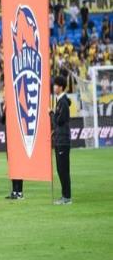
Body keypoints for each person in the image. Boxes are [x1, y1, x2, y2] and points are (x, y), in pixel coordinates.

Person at [49, 76, 72, 205]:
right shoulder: (60, 101)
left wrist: (51, 113)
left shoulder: (62, 102)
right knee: (60, 169)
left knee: (63, 170)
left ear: (61, 87)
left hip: (63, 140)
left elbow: (59, 121)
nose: (54, 87)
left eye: (56, 85)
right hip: (59, 139)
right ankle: (65, 196)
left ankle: (67, 197)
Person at [0, 102, 24, 200]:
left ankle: (20, 192)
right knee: (12, 167)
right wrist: (4, 111)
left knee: (18, 167)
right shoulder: (7, 107)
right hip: (9, 142)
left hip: (17, 141)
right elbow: (2, 121)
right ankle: (14, 191)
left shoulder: (18, 107)